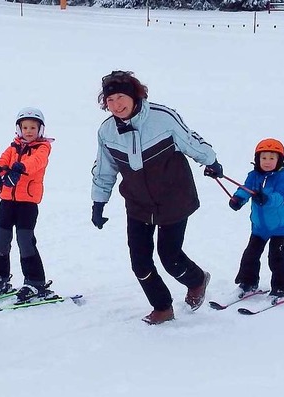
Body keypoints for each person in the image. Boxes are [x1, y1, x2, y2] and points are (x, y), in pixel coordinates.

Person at [91, 70, 223, 325]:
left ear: (134, 95)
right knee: (140, 262)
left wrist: (211, 161)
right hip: (138, 203)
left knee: (170, 257)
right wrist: (99, 202)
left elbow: (189, 140)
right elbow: (104, 168)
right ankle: (162, 307)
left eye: (121, 97)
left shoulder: (162, 118)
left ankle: (197, 280)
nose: (117, 105)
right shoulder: (107, 132)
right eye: (110, 100)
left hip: (174, 197)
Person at [0, 107, 54, 304]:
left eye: (33, 127)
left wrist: (19, 168)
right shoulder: (13, 147)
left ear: (40, 130)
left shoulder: (43, 148)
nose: (28, 131)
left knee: (25, 241)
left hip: (27, 204)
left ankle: (35, 282)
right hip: (6, 201)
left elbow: (35, 162)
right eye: (25, 127)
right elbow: (3, 160)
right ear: (19, 129)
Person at [229, 138, 284, 303]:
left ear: (279, 160)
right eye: (263, 158)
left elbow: (281, 197)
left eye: (272, 158)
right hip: (259, 226)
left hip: (279, 227)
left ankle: (282, 288)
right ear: (257, 159)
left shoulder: (283, 179)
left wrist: (267, 198)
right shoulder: (254, 176)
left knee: (276, 256)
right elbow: (245, 190)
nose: (267, 162)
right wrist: (238, 199)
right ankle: (249, 283)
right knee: (250, 255)